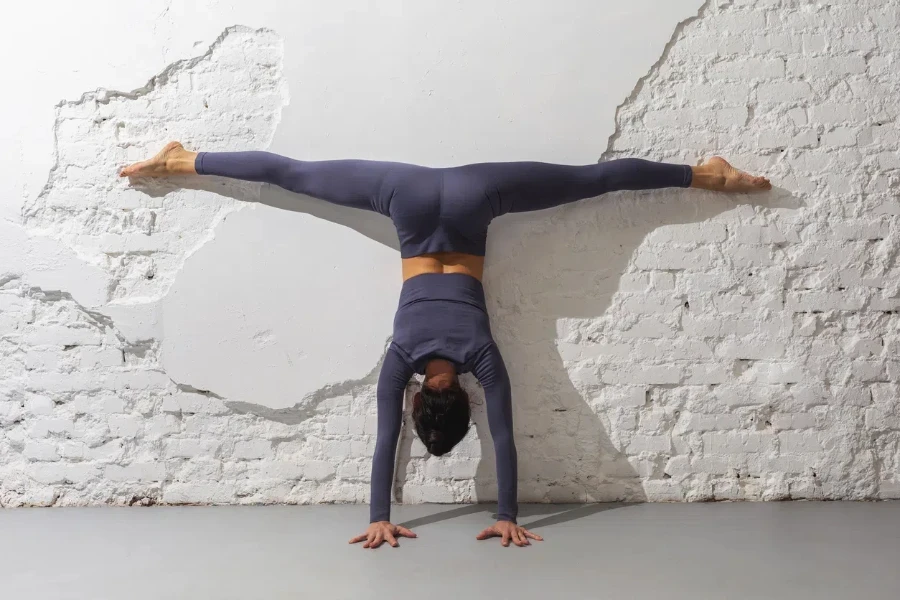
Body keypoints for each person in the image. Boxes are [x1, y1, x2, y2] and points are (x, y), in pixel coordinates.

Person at [120, 142, 771, 549]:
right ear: (417, 403)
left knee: (590, 180)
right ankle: (182, 160)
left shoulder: (481, 357)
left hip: (470, 198)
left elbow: (505, 439)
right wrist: (379, 515)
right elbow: (384, 444)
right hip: (406, 198)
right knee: (296, 174)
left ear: (460, 398)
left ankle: (703, 174)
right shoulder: (399, 359)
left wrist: (510, 512)